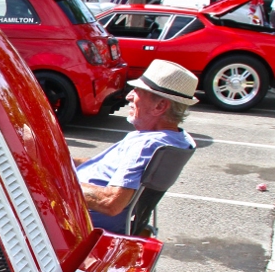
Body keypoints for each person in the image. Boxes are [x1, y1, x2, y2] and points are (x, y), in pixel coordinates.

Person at [75, 60, 197, 233]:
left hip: (78, 220)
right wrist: (62, 162)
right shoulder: (178, 138)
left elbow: (111, 203)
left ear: (160, 106)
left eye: (138, 91)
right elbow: (105, 168)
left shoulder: (147, 145)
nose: (129, 96)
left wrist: (56, 182)